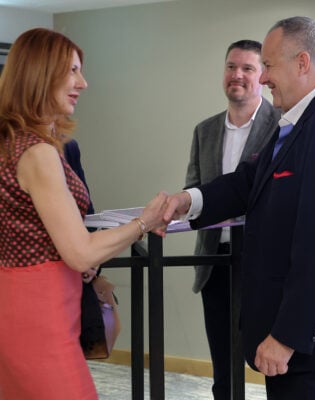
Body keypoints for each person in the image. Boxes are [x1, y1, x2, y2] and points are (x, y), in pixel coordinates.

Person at [160, 16, 315, 400]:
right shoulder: (300, 120)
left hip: (312, 338)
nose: (262, 78)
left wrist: (287, 337)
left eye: (269, 66)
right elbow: (248, 181)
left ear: (303, 63)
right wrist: (186, 201)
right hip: (297, 331)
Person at [0, 28, 167, 400]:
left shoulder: (13, 143)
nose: (83, 83)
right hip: (41, 313)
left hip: (19, 303)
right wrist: (145, 221)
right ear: (42, 74)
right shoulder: (38, 153)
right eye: (73, 71)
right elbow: (79, 253)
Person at [184, 39, 280, 400]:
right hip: (214, 263)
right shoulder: (204, 130)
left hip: (262, 263)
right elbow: (193, 188)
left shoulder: (282, 125)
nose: (237, 75)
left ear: (262, 76)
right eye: (231, 67)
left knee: (270, 363)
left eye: (247, 68)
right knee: (223, 368)